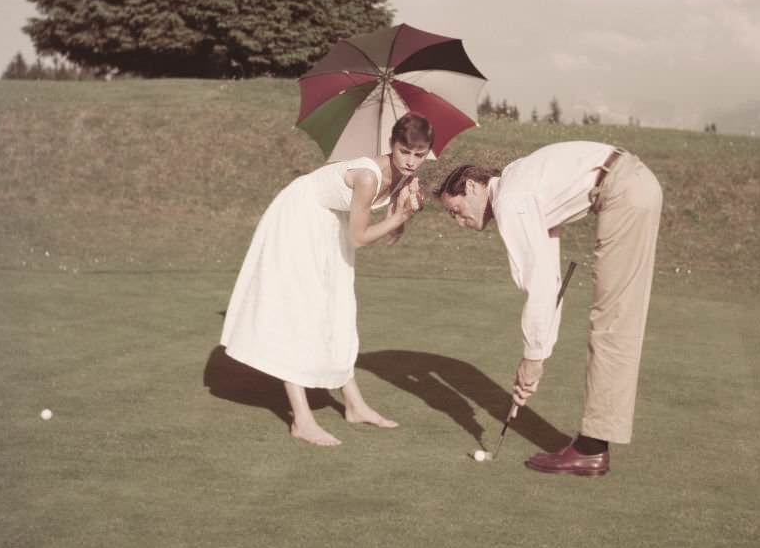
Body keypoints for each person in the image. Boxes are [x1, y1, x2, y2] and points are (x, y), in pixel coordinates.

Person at [435, 141, 662, 477]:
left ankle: (590, 450)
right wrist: (539, 352)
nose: (458, 222)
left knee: (612, 323)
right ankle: (592, 446)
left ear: (471, 187)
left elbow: (540, 284)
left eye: (455, 210)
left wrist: (532, 359)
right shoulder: (519, 184)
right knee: (614, 320)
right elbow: (551, 281)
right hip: (632, 183)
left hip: (623, 190)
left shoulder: (511, 201)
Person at [220, 113, 432, 447]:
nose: (411, 161)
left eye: (420, 155)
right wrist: (400, 217)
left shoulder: (405, 175)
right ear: (391, 145)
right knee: (302, 310)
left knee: (338, 307)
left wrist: (402, 212)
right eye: (405, 151)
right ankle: (302, 420)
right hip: (298, 215)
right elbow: (361, 237)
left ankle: (354, 405)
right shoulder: (366, 177)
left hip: (329, 220)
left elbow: (391, 218)